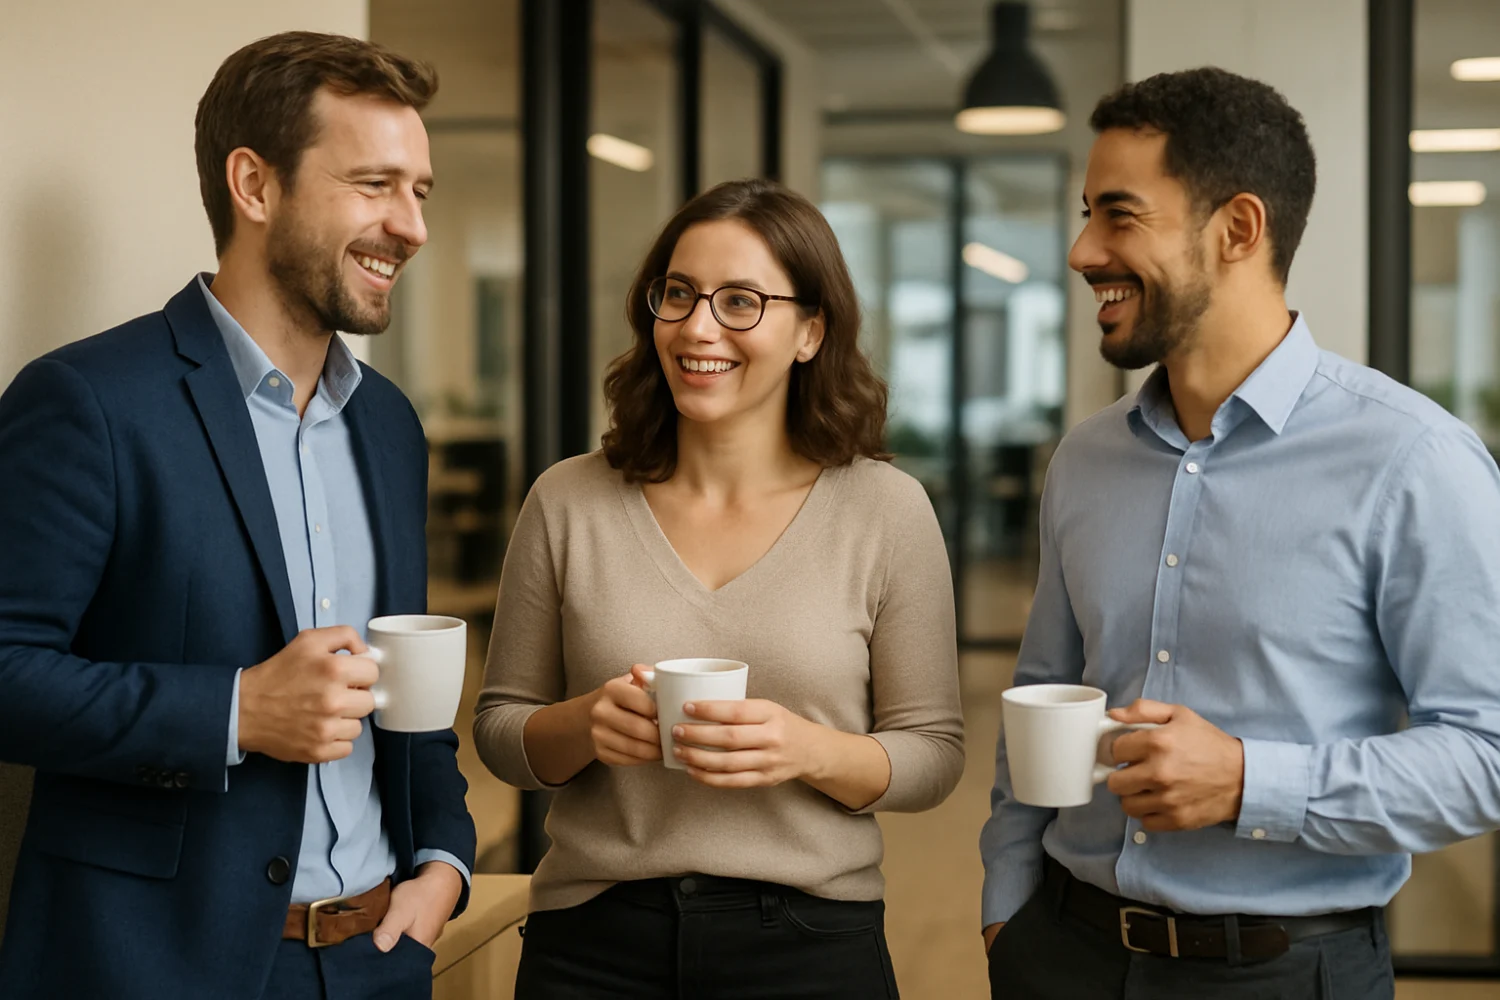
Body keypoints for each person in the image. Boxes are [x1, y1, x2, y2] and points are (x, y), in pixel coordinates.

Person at [981, 67, 1500, 1000]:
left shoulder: (1413, 461)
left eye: (1119, 214)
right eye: (1084, 212)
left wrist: (1251, 781)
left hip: (1287, 973)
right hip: (1063, 952)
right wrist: (1006, 904)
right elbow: (1040, 694)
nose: (1081, 249)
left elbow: (1485, 755)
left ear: (1238, 229)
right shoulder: (1085, 460)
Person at [0, 32, 475, 1000]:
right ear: (255, 186)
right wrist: (236, 711)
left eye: (419, 190)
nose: (412, 225)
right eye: (377, 183)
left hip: (378, 957)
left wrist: (444, 859)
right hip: (156, 966)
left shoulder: (388, 424)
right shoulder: (87, 400)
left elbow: (406, 680)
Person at [474, 178, 964, 999]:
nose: (699, 327)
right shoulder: (567, 499)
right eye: (680, 295)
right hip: (591, 943)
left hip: (810, 944)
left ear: (811, 331)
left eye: (741, 301)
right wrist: (585, 725)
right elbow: (500, 733)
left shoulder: (886, 509)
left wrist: (807, 750)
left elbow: (934, 755)